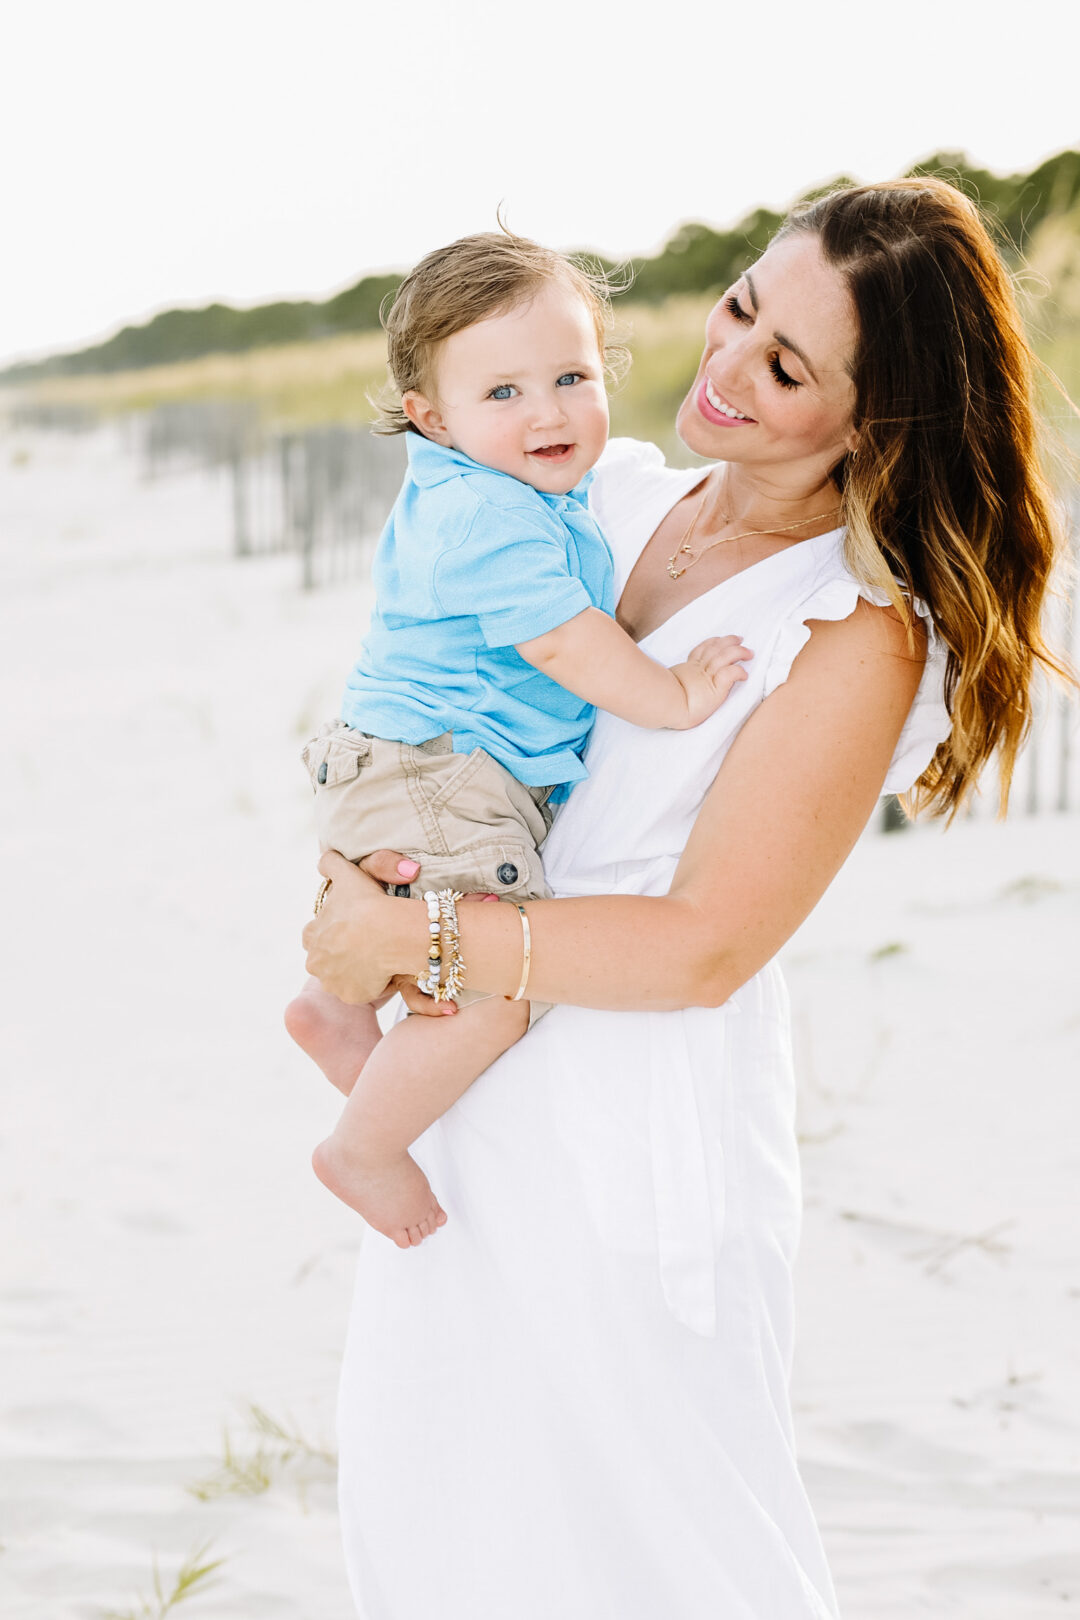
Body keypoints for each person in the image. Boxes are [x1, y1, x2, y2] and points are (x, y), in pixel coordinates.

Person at [302, 179, 1071, 1619]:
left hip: (626, 1144)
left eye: (786, 367)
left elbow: (710, 944)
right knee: (440, 1525)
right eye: (738, 309)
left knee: (664, 1556)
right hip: (455, 1109)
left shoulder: (850, 632)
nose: (724, 369)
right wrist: (368, 868)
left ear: (876, 420)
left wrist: (408, 935)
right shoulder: (603, 485)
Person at [286, 232, 751, 1249]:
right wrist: (671, 695)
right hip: (443, 771)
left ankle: (334, 1008)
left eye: (572, 376)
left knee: (432, 934)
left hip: (408, 761)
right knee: (494, 993)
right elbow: (565, 641)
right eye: (503, 393)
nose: (547, 411)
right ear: (430, 416)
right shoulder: (490, 520)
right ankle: (363, 1147)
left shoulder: (499, 492)